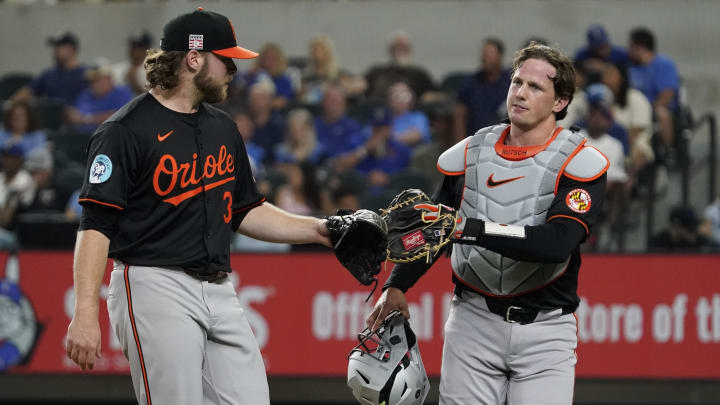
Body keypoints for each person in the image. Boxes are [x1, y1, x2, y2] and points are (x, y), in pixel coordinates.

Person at [64, 9, 333, 405]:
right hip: (153, 283)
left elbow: (245, 210)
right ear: (194, 58)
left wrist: (319, 230)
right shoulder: (124, 131)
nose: (233, 70)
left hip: (219, 287)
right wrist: (86, 310)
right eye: (226, 59)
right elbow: (96, 225)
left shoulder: (223, 127)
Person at [367, 43, 609, 405]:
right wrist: (396, 285)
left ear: (560, 102)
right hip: (473, 322)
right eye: (517, 83)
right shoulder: (470, 152)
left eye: (535, 87)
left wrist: (472, 230)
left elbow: (557, 243)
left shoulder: (579, 162)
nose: (521, 93)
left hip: (545, 330)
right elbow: (436, 228)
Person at [454, 38, 512, 142]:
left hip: (503, 140)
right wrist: (461, 143)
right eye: (484, 54)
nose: (485, 58)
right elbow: (460, 114)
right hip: (475, 140)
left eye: (489, 55)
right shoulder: (470, 83)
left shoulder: (510, 83)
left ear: (499, 57)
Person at [12, 31, 88, 105]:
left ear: (71, 49)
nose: (55, 51)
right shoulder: (49, 75)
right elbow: (26, 93)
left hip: (81, 116)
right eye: (55, 47)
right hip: (53, 115)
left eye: (59, 47)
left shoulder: (86, 73)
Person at [67, 60, 134, 134]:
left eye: (98, 80)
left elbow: (120, 116)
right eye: (92, 80)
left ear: (109, 79)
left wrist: (86, 119)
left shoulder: (122, 93)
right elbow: (76, 113)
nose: (94, 84)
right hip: (85, 138)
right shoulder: (85, 94)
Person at [112, 30, 154, 95]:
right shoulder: (117, 69)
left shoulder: (158, 70)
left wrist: (133, 81)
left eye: (140, 47)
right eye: (133, 47)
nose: (136, 51)